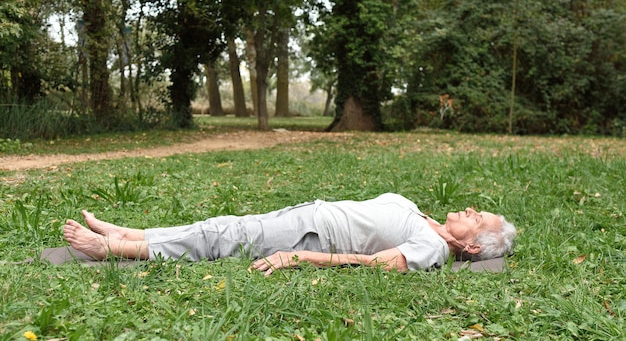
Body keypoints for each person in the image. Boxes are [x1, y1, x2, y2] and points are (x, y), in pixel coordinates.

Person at [63, 193, 516, 276]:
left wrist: (297, 258)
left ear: (472, 246)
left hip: (310, 238)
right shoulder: (428, 220)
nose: (471, 210)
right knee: (222, 227)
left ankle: (112, 249)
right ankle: (131, 231)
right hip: (306, 215)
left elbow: (376, 263)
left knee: (222, 236)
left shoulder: (434, 248)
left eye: (477, 218)